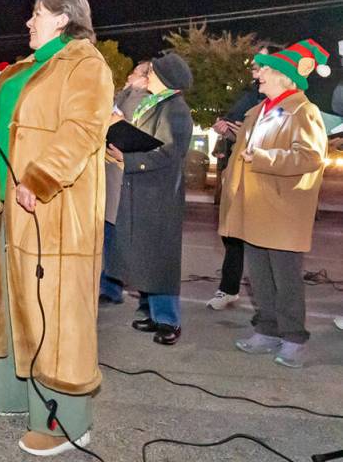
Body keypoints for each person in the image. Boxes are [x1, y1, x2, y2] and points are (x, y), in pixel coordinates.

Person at [0, 0, 113, 457]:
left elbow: (83, 130)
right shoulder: (28, 67)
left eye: (36, 14)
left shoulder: (85, 64)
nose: (28, 22)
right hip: (13, 208)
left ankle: (65, 422)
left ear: (64, 18)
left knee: (57, 311)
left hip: (54, 211)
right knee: (16, 303)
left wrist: (42, 176)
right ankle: (16, 398)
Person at [219, 39, 330, 368]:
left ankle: (293, 337)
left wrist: (264, 157)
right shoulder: (257, 111)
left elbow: (311, 157)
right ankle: (266, 330)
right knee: (260, 277)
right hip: (253, 207)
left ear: (286, 78)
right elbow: (244, 153)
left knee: (286, 279)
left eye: (267, 70)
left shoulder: (303, 109)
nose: (260, 75)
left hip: (283, 210)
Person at [107, 52, 194, 347]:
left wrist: (129, 158)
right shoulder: (154, 103)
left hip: (159, 195)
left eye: (153, 72)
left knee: (160, 259)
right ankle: (154, 314)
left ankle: (169, 320)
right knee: (145, 257)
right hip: (142, 190)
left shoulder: (175, 109)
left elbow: (169, 153)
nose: (148, 76)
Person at [206, 45, 274, 310]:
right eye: (255, 65)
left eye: (262, 63)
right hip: (238, 170)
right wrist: (227, 129)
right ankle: (228, 289)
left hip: (262, 177)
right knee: (232, 234)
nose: (256, 69)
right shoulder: (249, 95)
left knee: (262, 242)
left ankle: (269, 305)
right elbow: (234, 127)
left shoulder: (289, 104)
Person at [99, 61, 151, 305]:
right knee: (109, 235)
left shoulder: (141, 98)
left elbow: (133, 131)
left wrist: (113, 119)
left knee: (119, 236)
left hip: (123, 174)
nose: (129, 76)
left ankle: (114, 287)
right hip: (110, 172)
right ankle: (109, 285)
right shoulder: (124, 96)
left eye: (136, 73)